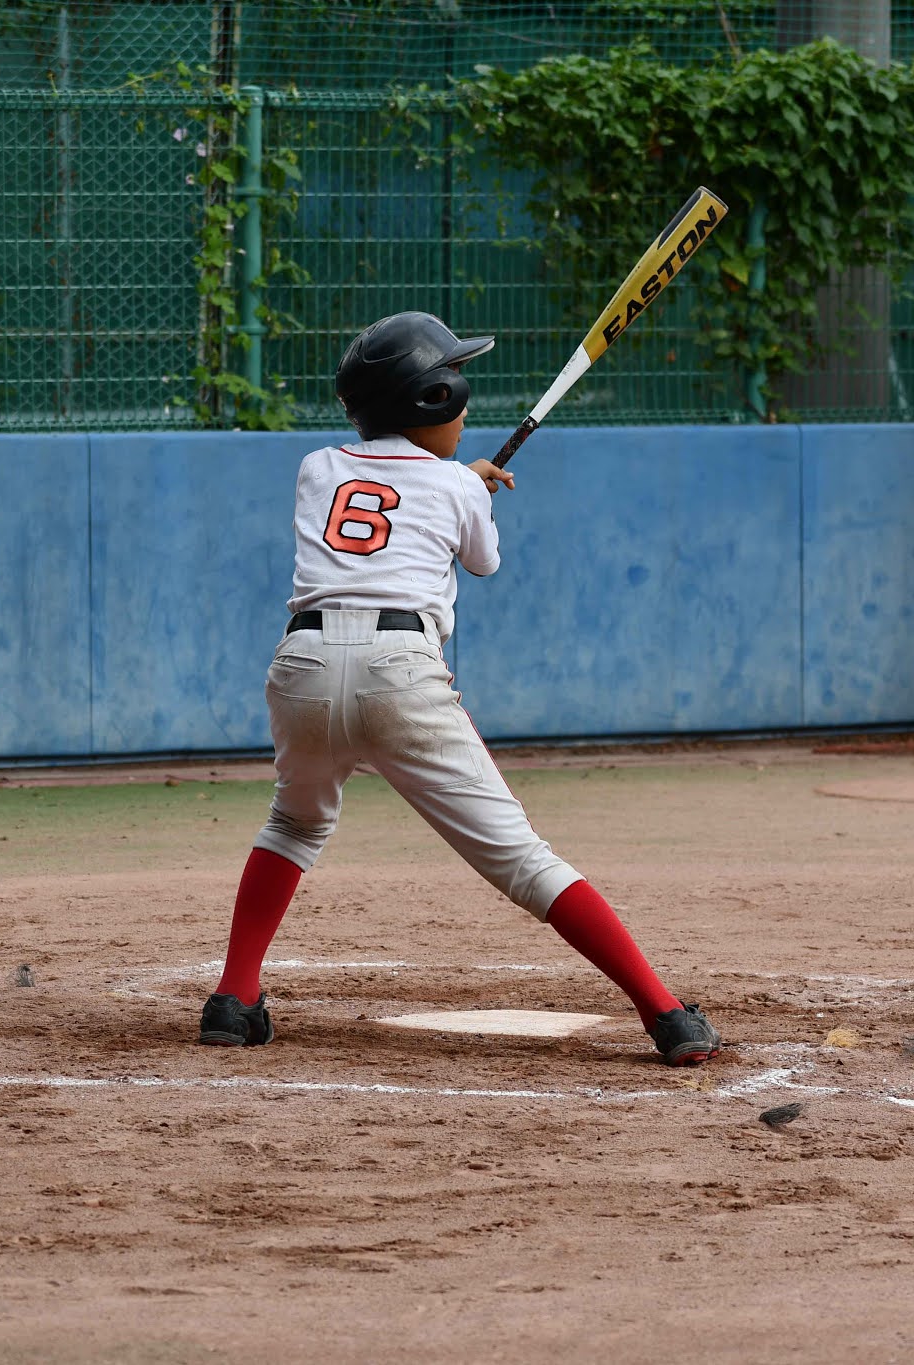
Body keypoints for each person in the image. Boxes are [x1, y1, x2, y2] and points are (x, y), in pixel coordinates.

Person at [200, 312, 722, 1066]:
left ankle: (233, 997)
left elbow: (395, 494)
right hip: (398, 672)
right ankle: (666, 1012)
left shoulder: (318, 465)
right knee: (522, 858)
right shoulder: (456, 487)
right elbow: (480, 561)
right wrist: (467, 486)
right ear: (434, 400)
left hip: (303, 665)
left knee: (294, 822)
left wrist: (455, 481)